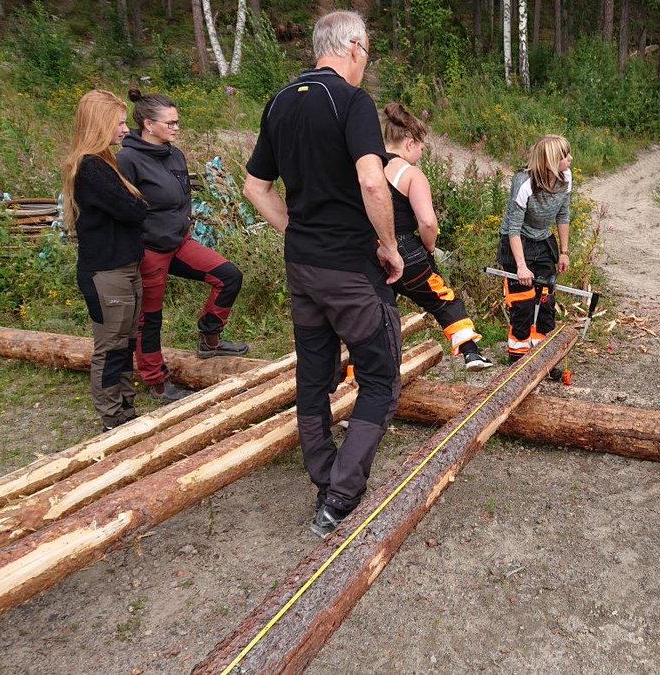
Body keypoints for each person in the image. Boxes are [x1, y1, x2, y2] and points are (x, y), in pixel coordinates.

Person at [242, 10, 404, 539]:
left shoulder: (280, 102)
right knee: (379, 378)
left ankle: (322, 477)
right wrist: (388, 246)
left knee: (314, 376)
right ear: (353, 46)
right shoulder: (352, 102)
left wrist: (297, 230)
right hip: (350, 270)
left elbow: (255, 187)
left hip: (303, 268)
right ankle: (341, 493)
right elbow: (373, 182)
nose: (368, 59)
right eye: (368, 49)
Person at [117, 89, 248, 404]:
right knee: (150, 318)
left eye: (177, 122)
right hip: (149, 249)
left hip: (179, 242)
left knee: (229, 276)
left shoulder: (173, 154)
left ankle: (210, 337)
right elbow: (122, 209)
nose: (176, 127)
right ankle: (157, 383)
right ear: (148, 124)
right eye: (170, 123)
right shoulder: (127, 159)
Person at [380, 102, 494, 371]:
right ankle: (471, 352)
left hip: (372, 251)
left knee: (378, 312)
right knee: (443, 300)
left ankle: (361, 370)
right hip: (407, 251)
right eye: (421, 147)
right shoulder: (411, 174)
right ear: (409, 142)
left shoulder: (367, 169)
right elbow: (428, 222)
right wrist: (429, 247)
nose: (421, 153)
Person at [61, 90, 149, 432]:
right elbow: (133, 210)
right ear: (101, 124)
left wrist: (137, 207)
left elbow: (134, 208)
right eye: (120, 122)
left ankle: (125, 408)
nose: (126, 129)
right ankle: (112, 418)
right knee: (111, 345)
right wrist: (139, 206)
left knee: (125, 342)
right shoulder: (91, 168)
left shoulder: (104, 162)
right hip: (106, 272)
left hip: (124, 267)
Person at [497, 135, 572, 363]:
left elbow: (563, 214)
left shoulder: (565, 178)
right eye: (564, 156)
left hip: (543, 240)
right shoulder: (524, 183)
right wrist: (521, 266)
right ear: (550, 160)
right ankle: (517, 357)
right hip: (518, 241)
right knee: (523, 301)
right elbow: (513, 227)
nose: (570, 159)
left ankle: (544, 357)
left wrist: (564, 252)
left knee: (546, 298)